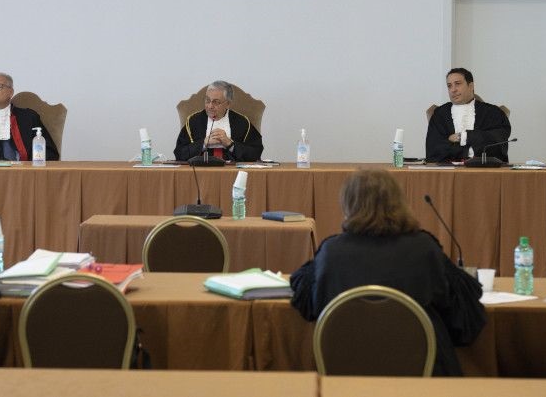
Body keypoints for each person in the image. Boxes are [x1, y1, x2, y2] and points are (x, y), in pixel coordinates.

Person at [290, 169, 486, 376]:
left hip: (346, 379)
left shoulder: (331, 253)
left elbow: (306, 299)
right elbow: (465, 318)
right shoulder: (424, 249)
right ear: (399, 203)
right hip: (424, 379)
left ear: (349, 205)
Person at [0, 72, 59, 161]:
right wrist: (0, 161)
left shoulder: (29, 117)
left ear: (11, 92)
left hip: (26, 172)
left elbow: (49, 152)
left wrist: (30, 166)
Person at [426, 68, 511, 163]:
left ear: (471, 86)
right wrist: (475, 143)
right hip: (449, 172)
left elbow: (498, 142)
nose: (453, 90)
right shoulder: (439, 114)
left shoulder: (492, 112)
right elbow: (434, 148)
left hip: (484, 170)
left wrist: (463, 137)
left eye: (458, 84)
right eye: (449, 86)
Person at [174, 80, 263, 162]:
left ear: (228, 104)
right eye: (207, 100)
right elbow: (179, 154)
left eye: (216, 102)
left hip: (233, 172)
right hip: (201, 172)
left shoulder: (242, 122)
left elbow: (256, 153)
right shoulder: (193, 121)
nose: (210, 106)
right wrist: (203, 143)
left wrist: (230, 144)